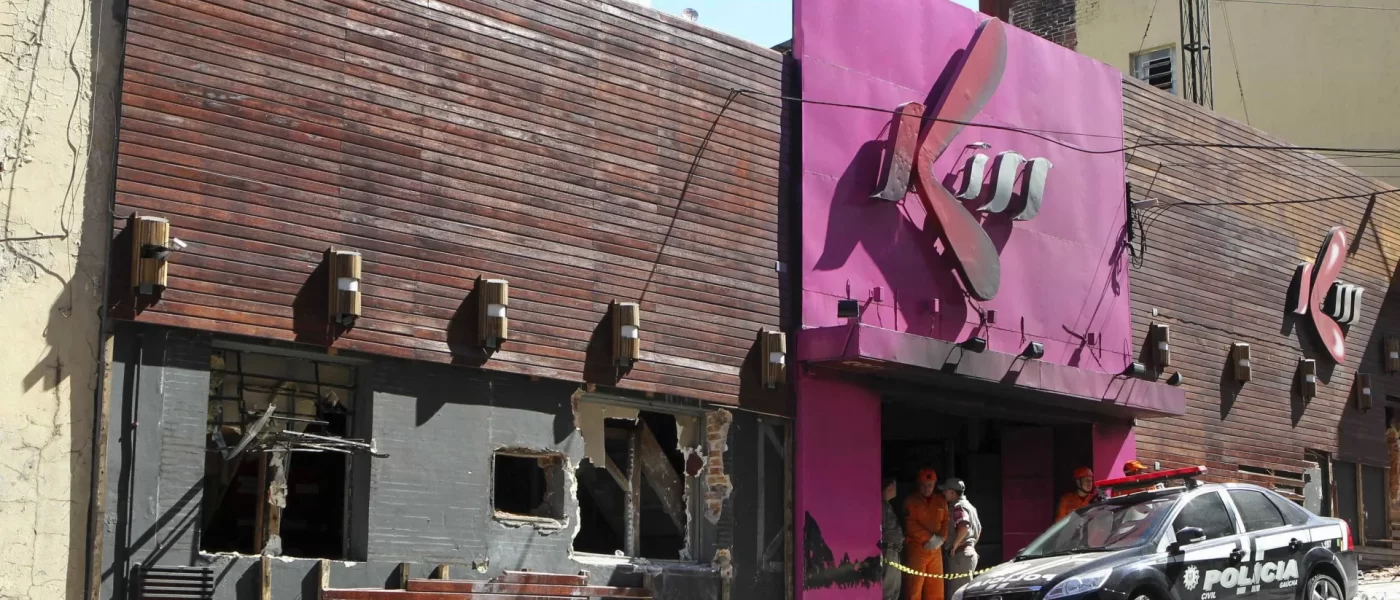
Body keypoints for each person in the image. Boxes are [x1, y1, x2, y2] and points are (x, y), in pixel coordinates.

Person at [903, 468, 948, 600]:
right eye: (924, 485)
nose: (927, 488)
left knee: (936, 588)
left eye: (930, 485)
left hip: (936, 549)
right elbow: (910, 524)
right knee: (914, 588)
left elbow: (946, 521)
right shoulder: (911, 501)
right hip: (917, 548)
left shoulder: (941, 500)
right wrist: (931, 537)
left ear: (934, 484)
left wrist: (941, 539)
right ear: (918, 484)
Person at [942, 478, 981, 600]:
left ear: (953, 492)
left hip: (960, 555)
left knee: (957, 595)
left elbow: (964, 526)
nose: (943, 493)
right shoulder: (970, 507)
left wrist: (954, 545)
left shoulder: (958, 507)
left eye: (946, 490)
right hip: (968, 553)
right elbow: (979, 529)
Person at [882, 476, 904, 600]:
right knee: (887, 590)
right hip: (888, 551)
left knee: (894, 589)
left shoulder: (887, 505)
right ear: (890, 486)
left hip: (894, 551)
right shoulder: (881, 506)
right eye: (895, 485)